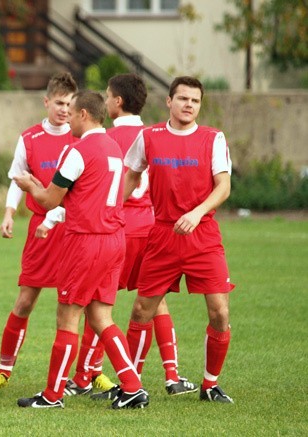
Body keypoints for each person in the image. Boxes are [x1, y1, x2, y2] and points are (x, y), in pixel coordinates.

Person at [13, 90, 148, 410]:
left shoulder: (79, 150)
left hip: (86, 241)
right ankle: (132, 386)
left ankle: (52, 395)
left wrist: (31, 186)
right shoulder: (114, 148)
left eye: (72, 113)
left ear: (85, 115)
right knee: (101, 316)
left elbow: (48, 200)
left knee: (68, 317)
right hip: (115, 239)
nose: (67, 118)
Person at [69, 73, 198, 400]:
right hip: (151, 227)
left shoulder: (105, 139)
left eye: (109, 96)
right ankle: (172, 375)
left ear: (117, 102)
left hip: (116, 226)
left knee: (96, 305)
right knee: (156, 301)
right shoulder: (155, 134)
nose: (106, 100)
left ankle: (85, 376)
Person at [122, 76, 235, 404]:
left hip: (203, 235)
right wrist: (112, 209)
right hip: (162, 234)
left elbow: (223, 186)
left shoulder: (213, 138)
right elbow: (131, 173)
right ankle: (131, 384)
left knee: (220, 312)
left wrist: (197, 213)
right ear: (169, 102)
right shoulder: (149, 137)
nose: (188, 105)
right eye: (183, 99)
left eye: (195, 101)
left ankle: (210, 385)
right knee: (142, 309)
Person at [0, 72, 89, 392]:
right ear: (47, 102)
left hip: (74, 229)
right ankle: (3, 370)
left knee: (75, 305)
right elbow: (18, 178)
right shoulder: (29, 138)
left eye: (70, 103)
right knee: (26, 300)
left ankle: (80, 375)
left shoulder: (82, 138)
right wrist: (9, 213)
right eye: (59, 103)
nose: (65, 109)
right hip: (40, 230)